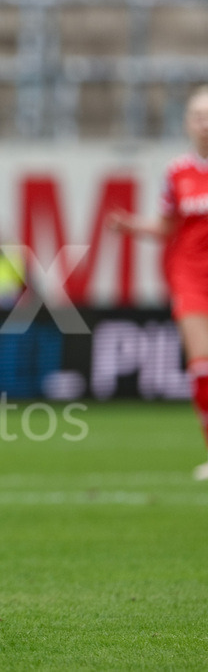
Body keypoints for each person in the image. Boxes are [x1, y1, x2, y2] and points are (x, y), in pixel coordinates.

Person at [110, 85, 208, 480]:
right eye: (198, 115)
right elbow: (169, 226)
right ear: (187, 123)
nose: (205, 123)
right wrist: (133, 226)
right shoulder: (177, 173)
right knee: (202, 367)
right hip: (189, 276)